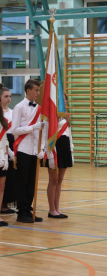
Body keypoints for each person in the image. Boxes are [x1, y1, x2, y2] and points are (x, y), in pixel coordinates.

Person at [11, 79, 45, 223]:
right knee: (22, 182)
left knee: (32, 182)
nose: (38, 93)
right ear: (28, 90)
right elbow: (14, 130)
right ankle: (21, 212)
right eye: (36, 90)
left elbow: (43, 131)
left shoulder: (39, 108)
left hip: (35, 150)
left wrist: (42, 148)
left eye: (38, 90)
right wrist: (32, 127)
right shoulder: (19, 107)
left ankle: (29, 210)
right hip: (24, 149)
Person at [43, 93, 74, 219]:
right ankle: (51, 209)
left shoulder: (66, 115)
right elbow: (47, 135)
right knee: (53, 180)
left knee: (60, 180)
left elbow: (69, 134)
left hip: (65, 147)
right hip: (55, 148)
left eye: (66, 99)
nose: (65, 101)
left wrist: (71, 150)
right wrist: (49, 153)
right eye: (62, 99)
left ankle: (57, 208)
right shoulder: (51, 116)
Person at [0, 85, 17, 214]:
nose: (9, 98)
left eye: (10, 96)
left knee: (8, 178)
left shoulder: (12, 112)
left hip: (10, 142)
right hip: (3, 144)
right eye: (6, 96)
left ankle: (5, 203)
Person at [0, 101, 9, 226]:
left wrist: (6, 156)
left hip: (2, 157)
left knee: (1, 187)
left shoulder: (3, 120)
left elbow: (5, 140)